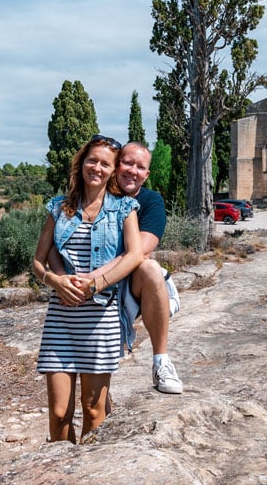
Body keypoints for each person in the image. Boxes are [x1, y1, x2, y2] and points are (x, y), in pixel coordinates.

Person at [48, 141, 184, 394]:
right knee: (96, 392)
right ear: (116, 164)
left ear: (147, 174)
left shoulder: (149, 201)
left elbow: (140, 251)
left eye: (140, 167)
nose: (133, 171)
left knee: (150, 267)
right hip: (92, 289)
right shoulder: (91, 196)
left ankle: (161, 361)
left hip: (129, 286)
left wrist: (92, 279)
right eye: (128, 163)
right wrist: (62, 278)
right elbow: (57, 242)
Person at [32, 134, 143, 443]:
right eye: (92, 160)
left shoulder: (124, 209)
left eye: (105, 163)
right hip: (61, 319)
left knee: (94, 410)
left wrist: (96, 284)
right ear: (81, 164)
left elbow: (134, 254)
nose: (97, 167)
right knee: (58, 413)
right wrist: (55, 280)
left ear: (113, 170)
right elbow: (38, 262)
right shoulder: (59, 207)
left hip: (100, 319)